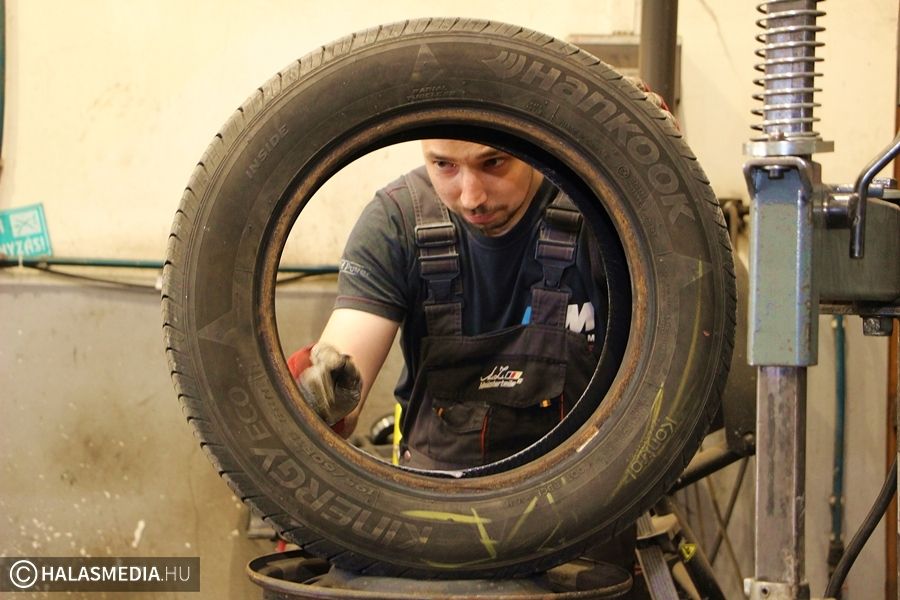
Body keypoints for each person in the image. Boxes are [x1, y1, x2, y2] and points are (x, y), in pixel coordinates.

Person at [288, 139, 609, 471]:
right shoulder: (396, 221)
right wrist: (325, 395)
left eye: (494, 162)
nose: (472, 197)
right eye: (444, 165)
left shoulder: (604, 210)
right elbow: (347, 362)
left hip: (585, 496)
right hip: (435, 505)